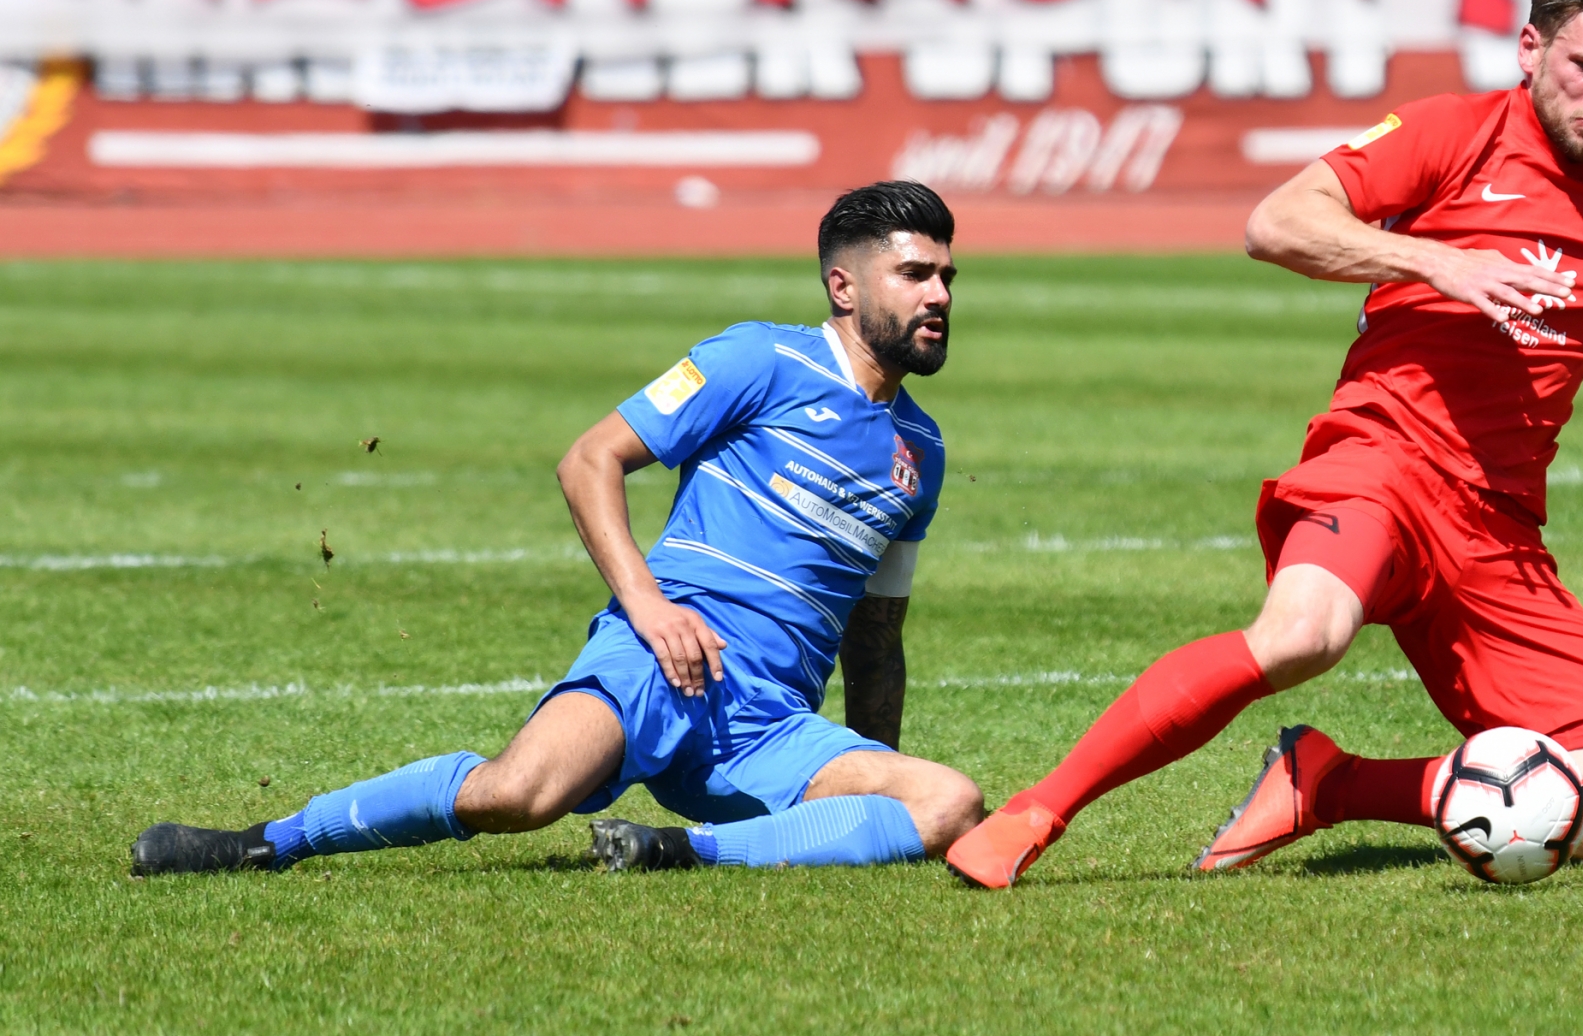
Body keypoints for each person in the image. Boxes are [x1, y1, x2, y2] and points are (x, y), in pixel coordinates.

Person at [945, 0, 1583, 889]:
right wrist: (1437, 261)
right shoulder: (1451, 133)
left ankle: (1331, 784)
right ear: (1529, 50)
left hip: (1500, 530)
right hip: (1383, 462)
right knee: (1302, 635)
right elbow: (1274, 223)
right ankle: (1036, 814)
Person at [132, 181, 984, 876]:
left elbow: (877, 636)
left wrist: (879, 801)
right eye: (915, 274)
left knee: (948, 801)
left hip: (769, 728)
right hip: (658, 660)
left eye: (946, 275)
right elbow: (588, 461)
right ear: (845, 286)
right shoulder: (758, 360)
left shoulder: (924, 452)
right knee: (518, 796)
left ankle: (677, 853)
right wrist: (647, 608)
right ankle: (264, 842)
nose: (939, 295)